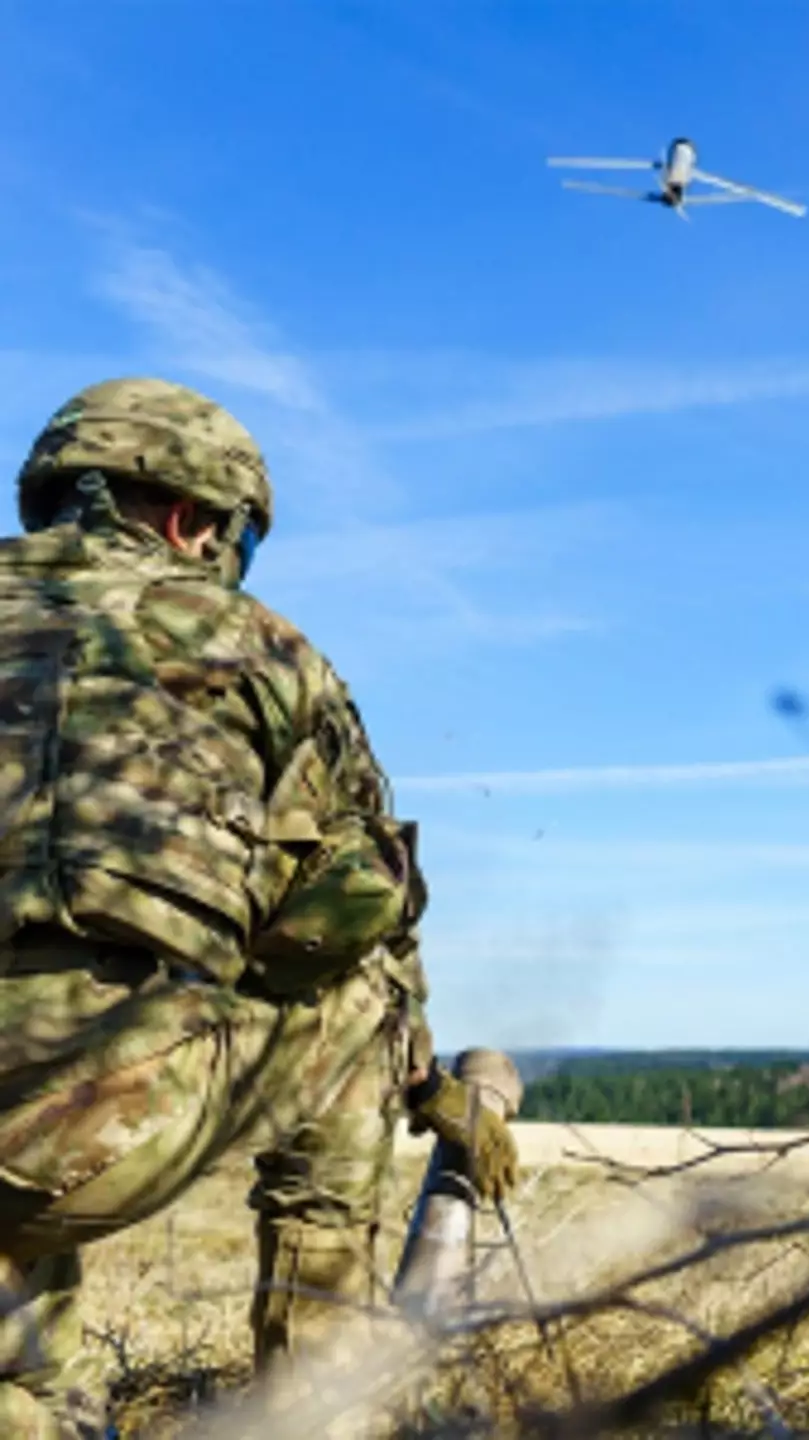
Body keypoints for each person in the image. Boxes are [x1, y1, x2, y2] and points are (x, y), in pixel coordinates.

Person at [0, 378, 518, 1438]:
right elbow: (358, 900)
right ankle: (314, 1402)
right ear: (194, 520)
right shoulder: (262, 650)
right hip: (87, 1134)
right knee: (355, 994)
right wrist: (430, 1087)